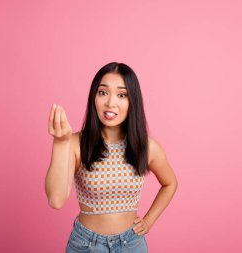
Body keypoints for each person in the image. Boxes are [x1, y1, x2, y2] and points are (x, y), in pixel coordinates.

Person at [45, 62, 178, 253]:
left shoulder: (146, 146)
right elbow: (56, 200)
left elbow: (170, 183)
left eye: (122, 95)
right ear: (94, 98)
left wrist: (149, 220)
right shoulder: (75, 143)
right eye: (103, 92)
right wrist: (60, 143)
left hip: (132, 244)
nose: (110, 103)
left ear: (133, 101)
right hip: (86, 245)